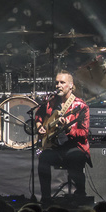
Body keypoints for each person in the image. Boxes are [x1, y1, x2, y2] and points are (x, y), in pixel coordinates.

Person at [34, 70, 90, 204]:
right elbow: (38, 114)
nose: (58, 85)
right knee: (43, 158)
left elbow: (84, 133)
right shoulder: (50, 102)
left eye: (62, 83)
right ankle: (46, 198)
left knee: (74, 156)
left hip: (74, 146)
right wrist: (39, 125)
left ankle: (80, 194)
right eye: (57, 82)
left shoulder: (81, 106)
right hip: (55, 146)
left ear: (71, 85)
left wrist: (69, 128)